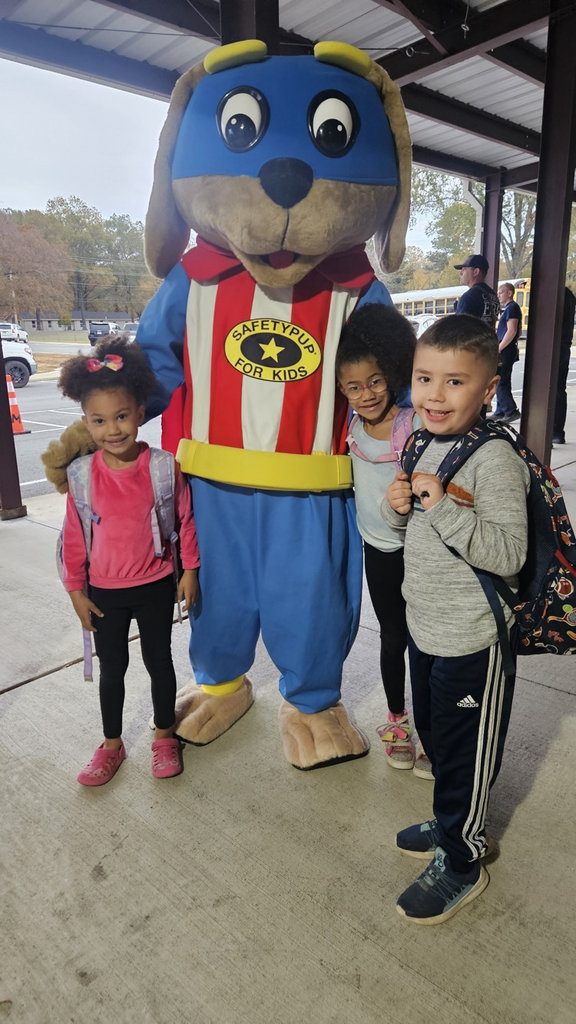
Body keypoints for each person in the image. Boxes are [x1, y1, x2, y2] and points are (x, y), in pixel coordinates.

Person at [384, 314, 530, 924]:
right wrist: (398, 509)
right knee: (441, 739)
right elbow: (413, 530)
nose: (434, 396)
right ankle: (452, 817)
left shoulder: (494, 459)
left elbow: (508, 554)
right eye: (424, 379)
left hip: (475, 634)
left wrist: (440, 506)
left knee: (469, 751)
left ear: (489, 389)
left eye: (454, 382)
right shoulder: (420, 440)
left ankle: (463, 856)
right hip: (427, 627)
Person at [58, 337, 200, 786]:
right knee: (112, 669)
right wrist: (76, 591)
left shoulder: (162, 467)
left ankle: (163, 736)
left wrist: (190, 570)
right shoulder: (81, 475)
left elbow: (185, 519)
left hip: (156, 584)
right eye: (99, 420)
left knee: (160, 661)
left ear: (140, 412)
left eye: (121, 416)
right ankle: (112, 745)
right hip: (104, 593)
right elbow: (76, 539)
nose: (113, 429)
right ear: (86, 422)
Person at [336, 305, 431, 779]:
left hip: (423, 554)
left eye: (375, 381)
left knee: (427, 644)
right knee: (394, 640)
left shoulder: (413, 424)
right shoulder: (348, 431)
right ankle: (397, 722)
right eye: (353, 386)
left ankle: (431, 735)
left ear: (391, 373)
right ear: (341, 391)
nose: (366, 393)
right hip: (380, 556)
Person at [490, 282, 522, 423]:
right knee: (503, 379)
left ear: (509, 293)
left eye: (501, 293)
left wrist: (499, 347)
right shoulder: (510, 308)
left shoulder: (511, 308)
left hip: (505, 350)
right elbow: (519, 332)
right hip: (509, 348)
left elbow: (512, 330)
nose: (498, 295)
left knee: (500, 380)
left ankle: (510, 410)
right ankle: (500, 411)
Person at [553, 286, 576, 444]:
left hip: (553, 348)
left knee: (549, 390)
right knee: (559, 390)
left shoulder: (554, 293)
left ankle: (549, 431)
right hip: (563, 346)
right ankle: (557, 432)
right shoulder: (569, 295)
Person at [454, 255, 500, 329]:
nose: (461, 273)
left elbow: (460, 330)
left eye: (464, 269)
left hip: (472, 340)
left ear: (476, 272)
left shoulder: (469, 297)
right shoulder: (493, 295)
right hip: (489, 339)